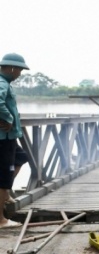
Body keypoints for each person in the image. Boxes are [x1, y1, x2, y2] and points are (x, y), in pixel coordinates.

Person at [0, 52, 30, 229]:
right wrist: (8, 119)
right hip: (3, 138)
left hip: (10, 137)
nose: (20, 74)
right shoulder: (2, 83)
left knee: (21, 157)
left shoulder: (5, 83)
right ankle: (1, 220)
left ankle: (5, 193)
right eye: (19, 70)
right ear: (11, 68)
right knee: (3, 177)